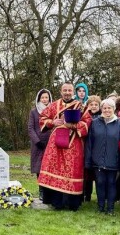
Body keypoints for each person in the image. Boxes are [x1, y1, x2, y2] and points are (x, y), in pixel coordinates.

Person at [38, 82, 91, 211]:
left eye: (69, 90)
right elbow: (42, 118)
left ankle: (72, 203)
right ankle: (56, 202)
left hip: (74, 143)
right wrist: (52, 122)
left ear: (73, 92)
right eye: (65, 90)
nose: (67, 92)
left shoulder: (81, 106)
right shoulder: (54, 105)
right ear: (61, 92)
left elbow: (87, 122)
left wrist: (72, 126)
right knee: (54, 167)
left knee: (71, 170)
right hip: (55, 143)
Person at [85, 99, 120, 215]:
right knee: (100, 183)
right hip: (97, 160)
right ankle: (100, 207)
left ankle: (110, 208)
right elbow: (89, 143)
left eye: (109, 108)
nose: (107, 110)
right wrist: (88, 161)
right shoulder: (95, 123)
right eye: (104, 108)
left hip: (113, 161)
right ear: (101, 109)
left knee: (111, 184)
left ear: (114, 109)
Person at [27, 88, 53, 200]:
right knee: (39, 169)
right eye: (42, 97)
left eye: (46, 97)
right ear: (39, 98)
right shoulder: (34, 111)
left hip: (51, 143)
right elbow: (30, 128)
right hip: (38, 144)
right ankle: (41, 191)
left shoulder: (53, 110)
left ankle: (50, 192)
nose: (44, 99)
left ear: (49, 98)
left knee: (50, 168)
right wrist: (37, 141)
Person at [82, 95, 101, 202]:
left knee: (98, 174)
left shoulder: (101, 117)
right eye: (91, 105)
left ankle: (100, 196)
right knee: (87, 174)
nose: (93, 107)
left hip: (97, 147)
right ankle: (87, 195)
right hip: (86, 146)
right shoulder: (84, 116)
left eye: (96, 105)